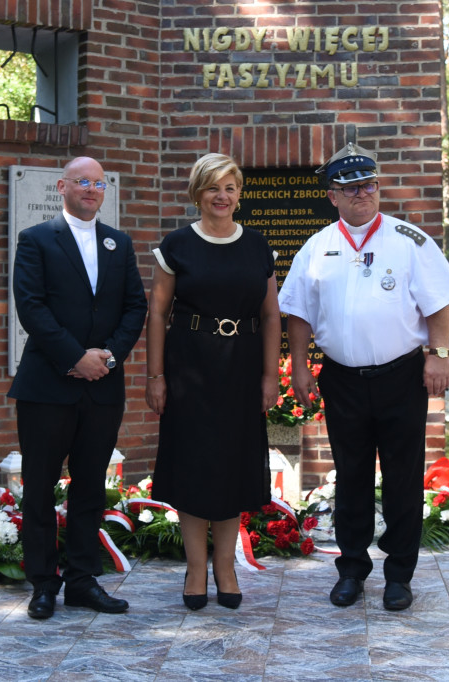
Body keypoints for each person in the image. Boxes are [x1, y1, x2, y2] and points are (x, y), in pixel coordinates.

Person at [278, 142, 449, 611]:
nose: (363, 193)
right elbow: (298, 314)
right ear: (333, 197)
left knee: (404, 476)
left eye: (369, 185)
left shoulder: (410, 240)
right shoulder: (316, 247)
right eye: (351, 188)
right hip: (342, 378)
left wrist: (438, 355)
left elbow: (439, 302)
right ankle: (352, 570)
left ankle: (399, 574)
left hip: (402, 376)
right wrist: (300, 365)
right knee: (352, 476)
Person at [8, 156, 148, 620]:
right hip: (48, 386)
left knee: (90, 487)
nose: (91, 189)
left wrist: (107, 356)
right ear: (62, 187)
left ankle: (83, 581)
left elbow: (135, 307)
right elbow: (31, 307)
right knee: (40, 487)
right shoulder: (36, 240)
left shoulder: (119, 243)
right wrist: (74, 357)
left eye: (99, 183)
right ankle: (44, 583)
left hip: (103, 385)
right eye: (82, 182)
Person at [145, 153, 281, 610]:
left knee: (233, 465)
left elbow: (270, 315)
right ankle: (196, 566)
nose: (222, 196)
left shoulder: (259, 246)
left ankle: (226, 565)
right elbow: (158, 314)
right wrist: (156, 376)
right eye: (212, 188)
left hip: (241, 368)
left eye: (230, 187)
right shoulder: (177, 245)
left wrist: (269, 375)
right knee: (193, 465)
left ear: (239, 194)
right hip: (189, 368)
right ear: (197, 193)